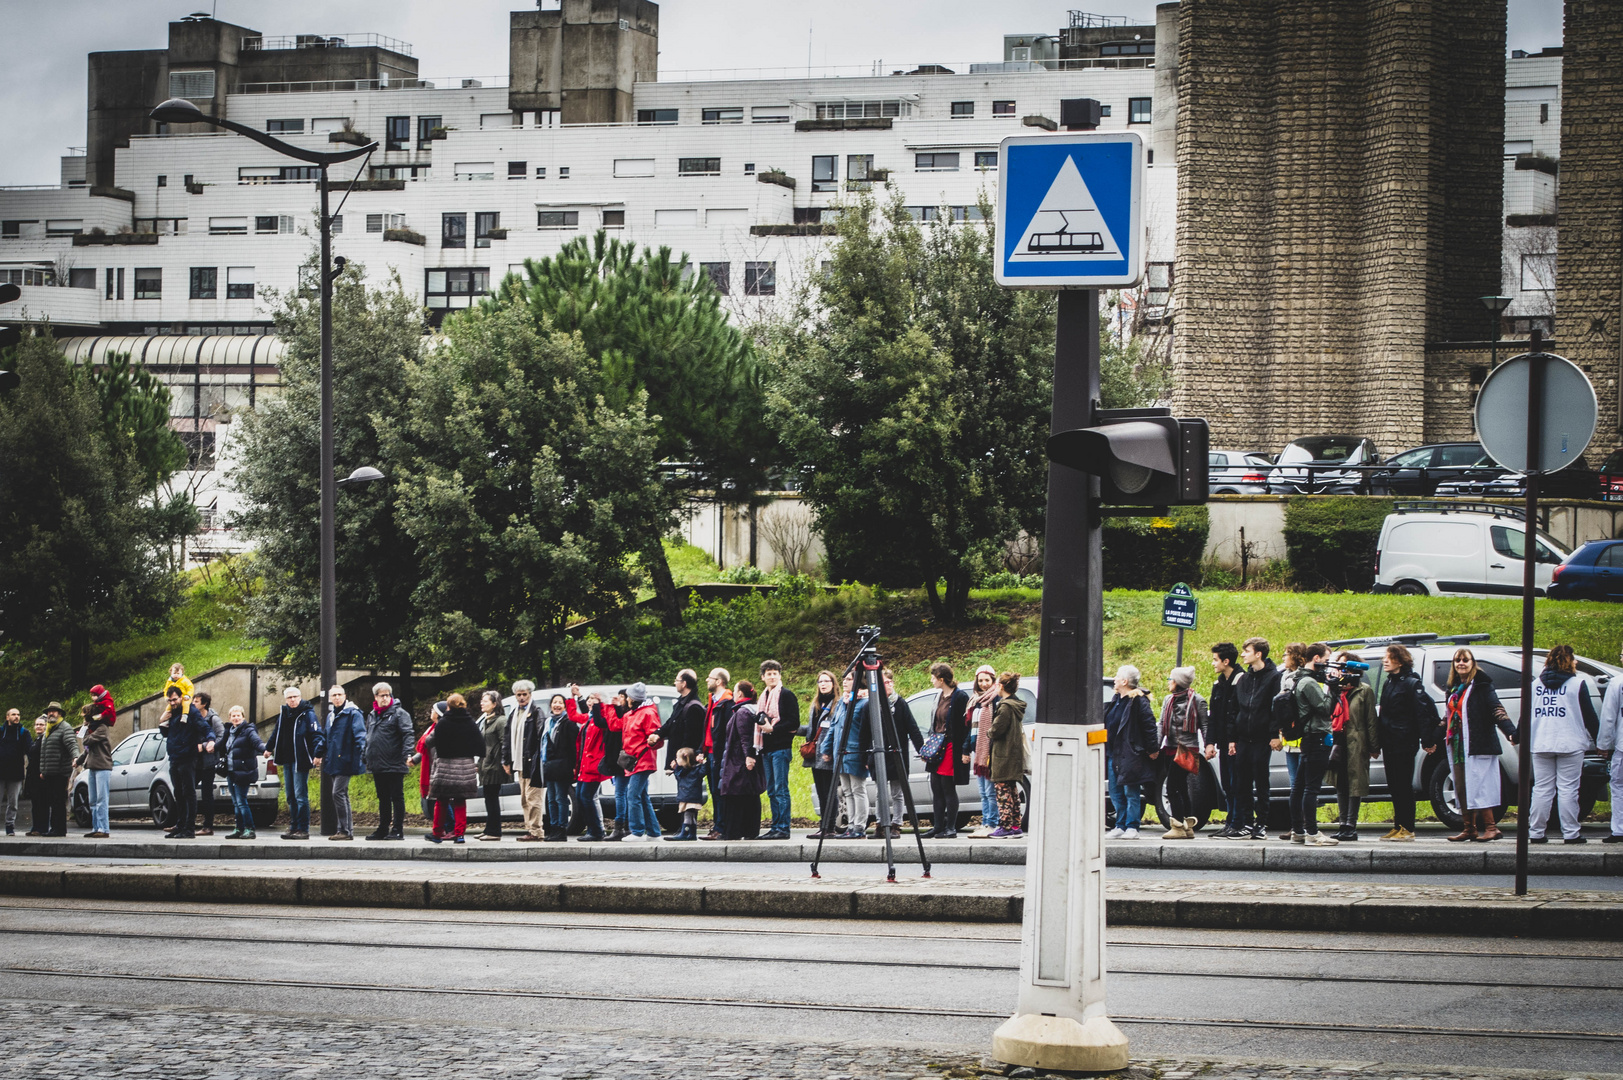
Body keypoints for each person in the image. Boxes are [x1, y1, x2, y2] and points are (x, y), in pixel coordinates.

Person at [1527, 644, 1600, 845]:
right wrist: (1601, 741)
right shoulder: (1577, 684)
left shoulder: (1535, 685)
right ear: (1569, 661)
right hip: (1570, 742)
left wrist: (1517, 735)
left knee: (1542, 788)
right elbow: (1589, 716)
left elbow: (1527, 714)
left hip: (1541, 741)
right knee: (1568, 789)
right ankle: (1570, 833)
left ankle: (1536, 832)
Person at [1442, 649, 1516, 843]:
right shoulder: (1453, 688)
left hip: (1478, 742)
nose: (1461, 663)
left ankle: (1491, 827)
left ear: (1472, 663)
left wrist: (1510, 730)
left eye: (1465, 660)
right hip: (1457, 743)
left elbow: (1496, 709)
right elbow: (1447, 717)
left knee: (1481, 785)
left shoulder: (1482, 685)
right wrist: (1431, 737)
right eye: (1457, 660)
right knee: (1461, 785)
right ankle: (1469, 828)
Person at [1376, 644, 1440, 841]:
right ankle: (1398, 825)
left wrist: (1427, 739)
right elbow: (1384, 715)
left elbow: (1422, 713)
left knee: (1404, 784)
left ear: (1400, 661)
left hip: (1404, 741)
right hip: (1389, 741)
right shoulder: (1389, 683)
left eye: (1389, 657)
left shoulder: (1411, 684)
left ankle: (1408, 827)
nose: (1384, 661)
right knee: (1394, 785)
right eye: (1384, 657)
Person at [1226, 637, 1282, 841]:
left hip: (1261, 739)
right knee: (1242, 783)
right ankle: (1247, 823)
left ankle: (1261, 824)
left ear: (1258, 654)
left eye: (1247, 651)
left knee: (1261, 781)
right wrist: (1232, 738)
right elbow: (1234, 710)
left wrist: (1274, 734)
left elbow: (1276, 708)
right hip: (1243, 739)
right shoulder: (1244, 679)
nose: (1243, 655)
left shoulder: (1274, 677)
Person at [1283, 644, 1336, 846]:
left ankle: (1298, 830)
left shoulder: (1298, 679)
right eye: (1326, 659)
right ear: (1316, 658)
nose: (1327, 664)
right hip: (1317, 737)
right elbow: (1325, 708)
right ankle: (1312, 833)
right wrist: (1334, 688)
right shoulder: (1309, 682)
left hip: (1307, 738)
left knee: (1299, 786)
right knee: (1311, 788)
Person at [1327, 650, 1379, 842]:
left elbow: (1370, 720)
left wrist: (1373, 746)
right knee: (1340, 783)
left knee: (1354, 784)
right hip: (1339, 743)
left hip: (1356, 743)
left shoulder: (1364, 690)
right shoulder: (1336, 689)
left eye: (1344, 666)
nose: (1341, 670)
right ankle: (1342, 824)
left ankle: (1351, 825)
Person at [1104, 667, 1158, 840]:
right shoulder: (1116, 700)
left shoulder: (1138, 701)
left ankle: (1132, 826)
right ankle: (1120, 824)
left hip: (1130, 753)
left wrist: (1152, 748)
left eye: (1117, 677)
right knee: (1115, 790)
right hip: (1114, 753)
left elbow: (1149, 725)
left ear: (1125, 682)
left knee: (1131, 790)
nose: (1115, 679)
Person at [1157, 666, 1209, 840]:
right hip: (1170, 748)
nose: (1168, 682)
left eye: (1170, 679)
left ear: (1178, 682)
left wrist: (1209, 746)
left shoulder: (1197, 701)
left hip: (1187, 750)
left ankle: (1177, 825)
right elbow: (1161, 724)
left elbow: (1204, 726)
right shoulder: (1168, 700)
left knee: (1172, 786)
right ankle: (1188, 826)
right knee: (1181, 787)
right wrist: (1156, 748)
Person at [263, 686, 322, 841]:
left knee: (300, 795)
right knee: (290, 796)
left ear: (300, 697)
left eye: (295, 697)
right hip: (287, 758)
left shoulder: (308, 713)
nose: (293, 700)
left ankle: (303, 828)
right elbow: (276, 732)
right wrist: (269, 748)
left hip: (300, 760)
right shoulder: (284, 714)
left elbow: (316, 734)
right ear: (286, 699)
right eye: (290, 698)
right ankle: (294, 826)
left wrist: (317, 754)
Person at [424, 693, 482, 843]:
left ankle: (437, 834)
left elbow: (429, 741)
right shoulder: (470, 723)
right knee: (460, 802)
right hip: (465, 768)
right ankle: (460, 834)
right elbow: (480, 745)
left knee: (441, 801)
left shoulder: (443, 723)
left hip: (445, 768)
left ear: (448, 707)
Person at [922, 663, 970, 838]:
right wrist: (928, 749)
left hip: (951, 745)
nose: (931, 680)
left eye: (933, 677)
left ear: (941, 679)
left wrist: (965, 750)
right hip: (938, 746)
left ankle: (951, 827)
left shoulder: (959, 697)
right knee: (935, 785)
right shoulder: (939, 696)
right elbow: (935, 725)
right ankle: (938, 826)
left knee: (947, 786)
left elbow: (966, 726)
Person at [159, 690, 213, 840]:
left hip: (188, 757)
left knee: (188, 792)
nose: (172, 703)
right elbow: (166, 734)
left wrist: (211, 740)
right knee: (178, 793)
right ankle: (180, 825)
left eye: (174, 700)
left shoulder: (191, 712)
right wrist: (161, 722)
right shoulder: (172, 712)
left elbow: (205, 728)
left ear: (182, 697)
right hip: (174, 757)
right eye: (169, 700)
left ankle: (189, 828)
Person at [756, 660, 800, 841]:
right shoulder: (763, 697)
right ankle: (775, 827)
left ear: (780, 675)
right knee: (772, 790)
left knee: (781, 789)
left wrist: (773, 728)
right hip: (766, 748)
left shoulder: (787, 695)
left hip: (781, 748)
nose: (772, 676)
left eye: (775, 673)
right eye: (769, 673)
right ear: (763, 677)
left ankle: (783, 828)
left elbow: (794, 722)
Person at [364, 682, 413, 841]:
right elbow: (368, 737)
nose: (385, 698)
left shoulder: (399, 714)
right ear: (375, 697)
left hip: (394, 762)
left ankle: (397, 829)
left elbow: (408, 734)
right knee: (383, 797)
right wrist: (365, 754)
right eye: (381, 695)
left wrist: (407, 754)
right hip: (377, 763)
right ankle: (383, 828)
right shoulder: (372, 715)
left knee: (396, 797)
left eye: (387, 695)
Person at [616, 683, 664, 842]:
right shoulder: (631, 713)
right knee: (642, 796)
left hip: (642, 760)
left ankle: (637, 831)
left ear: (634, 699)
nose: (627, 698)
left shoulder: (647, 713)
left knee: (633, 794)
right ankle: (654, 832)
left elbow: (656, 738)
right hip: (635, 760)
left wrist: (653, 741)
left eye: (628, 696)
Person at [719, 679, 765, 840]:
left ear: (739, 693)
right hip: (744, 758)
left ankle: (734, 831)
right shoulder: (753, 708)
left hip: (738, 760)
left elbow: (746, 736)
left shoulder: (742, 712)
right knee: (750, 794)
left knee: (735, 794)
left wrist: (749, 756)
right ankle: (750, 830)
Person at [880, 669, 924, 837]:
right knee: (880, 793)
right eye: (884, 682)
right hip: (880, 754)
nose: (888, 685)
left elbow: (913, 729)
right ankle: (881, 823)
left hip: (898, 753)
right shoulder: (874, 705)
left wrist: (922, 751)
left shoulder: (900, 704)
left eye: (890, 682)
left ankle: (896, 824)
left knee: (897, 793)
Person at [986, 672, 1028, 838]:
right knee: (1012, 791)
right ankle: (1016, 825)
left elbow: (996, 730)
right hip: (1013, 755)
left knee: (1002, 792)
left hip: (1003, 756)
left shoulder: (1005, 707)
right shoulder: (1016, 705)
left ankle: (1006, 825)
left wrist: (988, 732)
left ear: (1001, 686)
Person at [323, 685, 367, 841]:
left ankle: (345, 830)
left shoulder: (352, 713)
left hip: (346, 759)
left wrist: (363, 753)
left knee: (338, 793)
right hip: (334, 759)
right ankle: (345, 829)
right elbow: (327, 737)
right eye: (333, 695)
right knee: (342, 795)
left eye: (339, 694)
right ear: (330, 698)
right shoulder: (332, 716)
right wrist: (319, 754)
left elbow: (360, 735)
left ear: (345, 696)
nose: (336, 697)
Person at [1206, 643, 1241, 838]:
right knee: (1227, 784)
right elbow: (1214, 717)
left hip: (1235, 743)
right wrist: (1210, 742)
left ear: (1226, 661)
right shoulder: (1218, 684)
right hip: (1222, 741)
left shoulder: (1240, 680)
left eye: (1215, 659)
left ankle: (1238, 822)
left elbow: (1236, 714)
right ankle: (1230, 821)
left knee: (1236, 783)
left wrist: (1232, 739)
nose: (1213, 663)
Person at [801, 671, 840, 837]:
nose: (823, 684)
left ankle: (830, 827)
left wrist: (828, 750)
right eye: (820, 681)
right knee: (821, 791)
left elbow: (835, 730)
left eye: (826, 681)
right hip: (815, 755)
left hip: (828, 753)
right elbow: (813, 729)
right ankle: (823, 825)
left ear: (833, 683)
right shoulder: (816, 704)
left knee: (830, 791)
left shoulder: (837, 704)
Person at [508, 680, 547, 842]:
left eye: (525, 694)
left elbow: (540, 737)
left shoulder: (537, 712)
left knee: (533, 798)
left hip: (532, 762)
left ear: (530, 695)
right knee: (524, 798)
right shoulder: (514, 712)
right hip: (519, 763)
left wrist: (537, 760)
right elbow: (507, 737)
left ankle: (537, 831)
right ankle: (530, 828)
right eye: (519, 695)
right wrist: (506, 759)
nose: (522, 698)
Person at [566, 686, 606, 842]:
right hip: (585, 764)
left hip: (593, 764)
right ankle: (593, 828)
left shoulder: (600, 718)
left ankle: (596, 830)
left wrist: (598, 704)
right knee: (582, 797)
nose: (590, 702)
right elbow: (573, 715)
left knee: (587, 797)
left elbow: (599, 719)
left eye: (593, 699)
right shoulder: (588, 718)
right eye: (589, 699)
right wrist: (572, 698)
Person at [966, 665, 1001, 835]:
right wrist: (967, 749)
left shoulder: (995, 699)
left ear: (993, 680)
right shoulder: (976, 700)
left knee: (990, 791)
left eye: (987, 680)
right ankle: (985, 821)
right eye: (980, 680)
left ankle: (992, 823)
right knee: (982, 792)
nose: (984, 684)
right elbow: (971, 728)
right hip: (977, 752)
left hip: (988, 751)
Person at [220, 706, 264, 839]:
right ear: (230, 718)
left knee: (241, 801)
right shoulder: (229, 731)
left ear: (243, 717)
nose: (236, 718)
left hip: (243, 772)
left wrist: (265, 749)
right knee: (235, 802)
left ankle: (250, 829)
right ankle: (239, 828)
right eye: (233, 716)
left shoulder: (248, 731)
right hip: (231, 771)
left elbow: (257, 742)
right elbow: (222, 745)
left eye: (238, 715)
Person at [700, 669, 734, 841]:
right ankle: (717, 825)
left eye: (710, 678)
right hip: (710, 753)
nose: (707, 680)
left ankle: (721, 827)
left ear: (719, 681)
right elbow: (707, 728)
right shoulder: (713, 702)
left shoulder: (726, 703)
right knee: (714, 791)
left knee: (720, 791)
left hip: (719, 754)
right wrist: (702, 750)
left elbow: (726, 732)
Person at [541, 692, 579, 841]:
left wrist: (573, 766)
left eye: (560, 703)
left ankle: (562, 829)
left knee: (560, 798)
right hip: (549, 765)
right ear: (550, 705)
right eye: (554, 702)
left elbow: (574, 747)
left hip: (563, 766)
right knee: (550, 799)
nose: (557, 705)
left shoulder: (569, 724)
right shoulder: (548, 723)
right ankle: (553, 827)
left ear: (565, 706)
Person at [476, 690, 511, 841]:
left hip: (495, 765)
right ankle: (489, 828)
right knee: (488, 797)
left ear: (495, 704)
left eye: (485, 701)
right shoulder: (486, 720)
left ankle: (495, 831)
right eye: (482, 700)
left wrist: (505, 762)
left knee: (492, 797)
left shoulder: (501, 721)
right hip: (486, 765)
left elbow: (505, 742)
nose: (481, 703)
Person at [76, 701, 113, 838]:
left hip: (103, 766)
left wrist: (84, 729)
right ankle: (96, 826)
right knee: (92, 799)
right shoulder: (92, 728)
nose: (84, 719)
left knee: (101, 799)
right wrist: (78, 762)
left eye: (85, 716)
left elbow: (86, 741)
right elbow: (87, 751)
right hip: (92, 766)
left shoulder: (102, 728)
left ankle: (104, 829)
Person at [193, 691, 225, 836]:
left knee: (207, 794)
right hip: (194, 761)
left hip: (208, 762)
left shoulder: (213, 719)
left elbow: (222, 736)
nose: (193, 703)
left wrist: (205, 745)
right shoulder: (192, 717)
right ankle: (186, 822)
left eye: (196, 701)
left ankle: (208, 826)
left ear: (204, 704)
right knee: (186, 791)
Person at [1601, 642, 1623, 844]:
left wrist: (1604, 744)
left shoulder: (1618, 683)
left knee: (1619, 785)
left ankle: (1619, 829)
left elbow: (1609, 717)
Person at [1, 708, 32, 836]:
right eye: (13, 714)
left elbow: (30, 750)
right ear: (7, 717)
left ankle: (10, 825)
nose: (16, 717)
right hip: (1, 772)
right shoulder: (1, 731)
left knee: (13, 802)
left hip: (16, 773)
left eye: (18, 714)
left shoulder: (24, 733)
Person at [415, 702, 444, 829]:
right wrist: (415, 759)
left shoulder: (440, 728)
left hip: (439, 767)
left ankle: (444, 828)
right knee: (437, 800)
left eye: (433, 710)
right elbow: (426, 749)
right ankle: (440, 828)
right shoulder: (432, 727)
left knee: (442, 800)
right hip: (432, 766)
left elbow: (428, 743)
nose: (430, 712)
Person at [670, 746, 706, 841]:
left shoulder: (694, 771)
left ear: (685, 759)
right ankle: (692, 834)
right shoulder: (682, 771)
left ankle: (684, 833)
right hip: (688, 796)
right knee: (692, 816)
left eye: (678, 758)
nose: (676, 760)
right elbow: (678, 777)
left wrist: (703, 763)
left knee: (688, 815)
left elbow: (703, 771)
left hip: (690, 797)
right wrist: (675, 768)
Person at [24, 716, 46, 836]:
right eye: (37, 724)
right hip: (33, 775)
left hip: (40, 775)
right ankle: (36, 826)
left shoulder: (45, 739)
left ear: (46, 726)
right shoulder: (37, 739)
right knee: (35, 803)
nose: (38, 726)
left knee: (41, 803)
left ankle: (41, 827)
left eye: (41, 724)